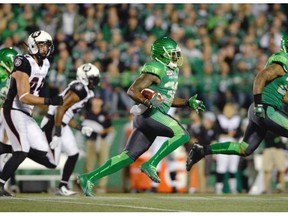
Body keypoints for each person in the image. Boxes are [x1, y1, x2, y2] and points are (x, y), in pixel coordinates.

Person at [77, 36, 205, 196]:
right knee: (183, 134)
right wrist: (148, 101)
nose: (176, 57)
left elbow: (167, 99)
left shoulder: (171, 71)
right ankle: (151, 164)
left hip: (149, 117)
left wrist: (187, 103)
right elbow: (132, 90)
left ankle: (88, 178)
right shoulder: (156, 68)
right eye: (172, 53)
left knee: (127, 157)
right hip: (150, 114)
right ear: (162, 54)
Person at [186, 34, 288, 172]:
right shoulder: (282, 62)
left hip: (263, 109)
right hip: (264, 108)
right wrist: (259, 104)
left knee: (244, 149)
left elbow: (284, 96)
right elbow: (260, 77)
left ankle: (202, 150)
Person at [0, 30, 64, 196]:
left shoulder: (46, 64)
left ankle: (5, 148)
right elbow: (24, 97)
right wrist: (49, 101)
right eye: (42, 45)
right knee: (21, 151)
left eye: (47, 46)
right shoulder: (23, 62)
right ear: (34, 45)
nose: (45, 49)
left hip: (26, 114)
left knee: (49, 160)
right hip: (13, 108)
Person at [40, 63, 101, 196]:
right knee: (52, 163)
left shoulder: (85, 90)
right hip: (54, 123)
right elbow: (60, 108)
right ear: (85, 78)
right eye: (93, 78)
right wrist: (57, 133)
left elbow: (67, 114)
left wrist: (80, 127)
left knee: (73, 153)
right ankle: (22, 151)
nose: (95, 81)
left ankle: (62, 186)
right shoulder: (81, 89)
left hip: (61, 122)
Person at [82, 97, 114, 194]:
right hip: (91, 141)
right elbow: (83, 126)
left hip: (102, 141)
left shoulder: (105, 114)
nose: (96, 101)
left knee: (103, 164)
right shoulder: (87, 114)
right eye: (95, 99)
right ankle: (87, 185)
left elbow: (111, 128)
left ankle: (102, 187)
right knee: (88, 164)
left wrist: (102, 131)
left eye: (98, 99)